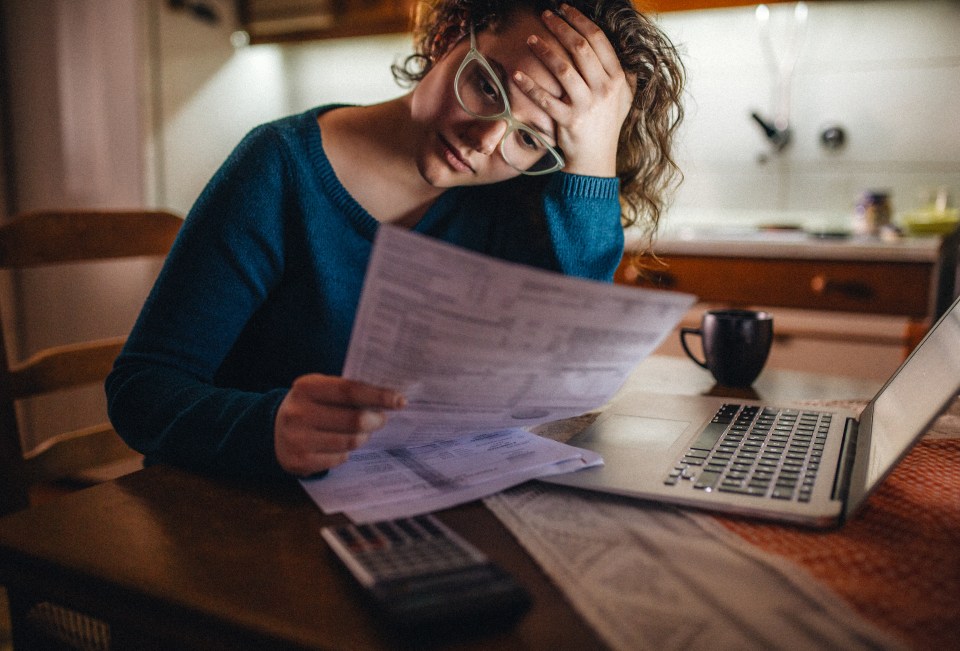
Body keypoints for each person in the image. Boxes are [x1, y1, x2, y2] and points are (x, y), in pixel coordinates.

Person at [106, 0, 685, 480]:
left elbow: (569, 376)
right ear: (450, 36)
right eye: (486, 86)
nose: (485, 143)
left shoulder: (514, 203)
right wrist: (268, 426)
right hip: (231, 521)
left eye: (531, 140)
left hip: (399, 515)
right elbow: (141, 390)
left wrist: (592, 162)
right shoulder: (279, 169)